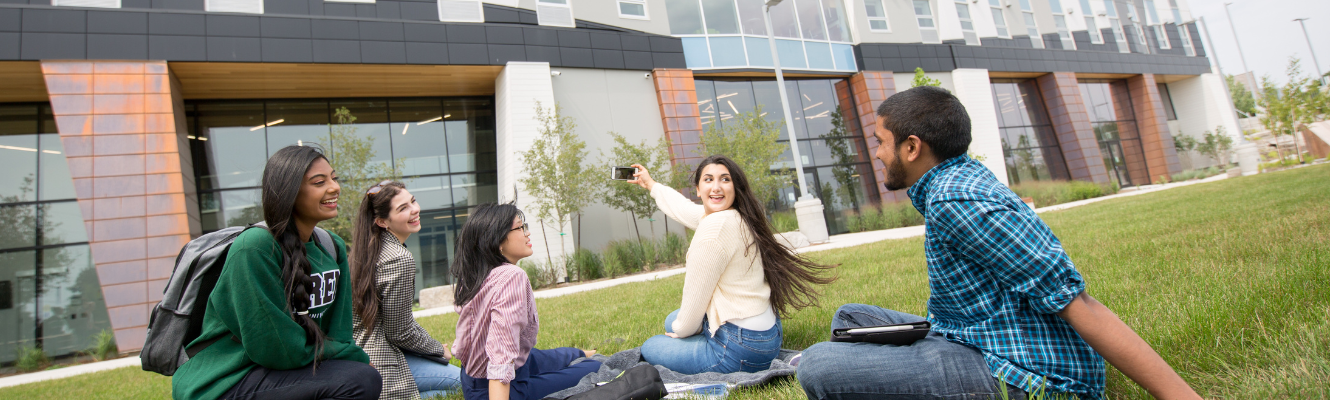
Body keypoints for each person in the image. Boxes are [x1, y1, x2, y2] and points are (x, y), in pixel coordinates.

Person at [795, 86, 1200, 400]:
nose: (879, 153)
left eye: (881, 141)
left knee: (817, 365)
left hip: (1025, 373)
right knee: (850, 318)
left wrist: (1178, 394)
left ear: (913, 147)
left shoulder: (957, 201)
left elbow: (1075, 301)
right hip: (973, 334)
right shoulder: (953, 182)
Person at [172, 145, 379, 400]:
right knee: (358, 380)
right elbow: (276, 349)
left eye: (334, 178)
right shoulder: (254, 249)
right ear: (288, 192)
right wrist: (352, 360)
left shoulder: (331, 247)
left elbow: (339, 332)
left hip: (284, 370)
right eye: (319, 182)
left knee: (359, 376)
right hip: (225, 381)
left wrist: (352, 358)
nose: (334, 187)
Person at [625, 155, 834, 375]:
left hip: (739, 349)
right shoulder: (739, 216)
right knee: (671, 321)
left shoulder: (712, 231)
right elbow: (684, 209)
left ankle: (726, 353)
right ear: (698, 189)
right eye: (708, 180)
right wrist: (651, 184)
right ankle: (753, 351)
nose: (716, 187)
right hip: (769, 335)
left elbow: (690, 312)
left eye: (725, 179)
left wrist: (685, 331)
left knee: (653, 344)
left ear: (735, 187)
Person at [450, 202, 603, 400]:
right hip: (498, 389)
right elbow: (501, 353)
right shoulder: (511, 276)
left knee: (550, 356)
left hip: (471, 379)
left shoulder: (475, 275)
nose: (527, 233)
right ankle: (586, 359)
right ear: (497, 241)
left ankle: (579, 353)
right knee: (596, 368)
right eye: (520, 228)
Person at [351, 180, 462, 400]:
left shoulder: (368, 250)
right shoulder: (398, 259)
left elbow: (400, 322)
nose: (415, 209)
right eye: (403, 208)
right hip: (381, 359)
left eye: (412, 201)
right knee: (463, 383)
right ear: (382, 221)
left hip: (359, 354)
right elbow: (399, 332)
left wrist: (431, 345)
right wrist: (439, 350)